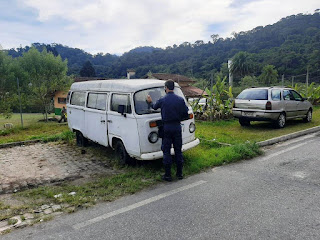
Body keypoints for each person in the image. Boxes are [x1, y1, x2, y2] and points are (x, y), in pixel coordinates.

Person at [147, 80, 189, 181]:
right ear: (173, 88)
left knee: (166, 151)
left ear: (166, 88)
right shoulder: (180, 100)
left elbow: (154, 107)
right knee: (178, 150)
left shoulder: (163, 99)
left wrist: (150, 101)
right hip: (177, 127)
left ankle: (168, 175)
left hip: (167, 127)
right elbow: (185, 112)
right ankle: (179, 174)